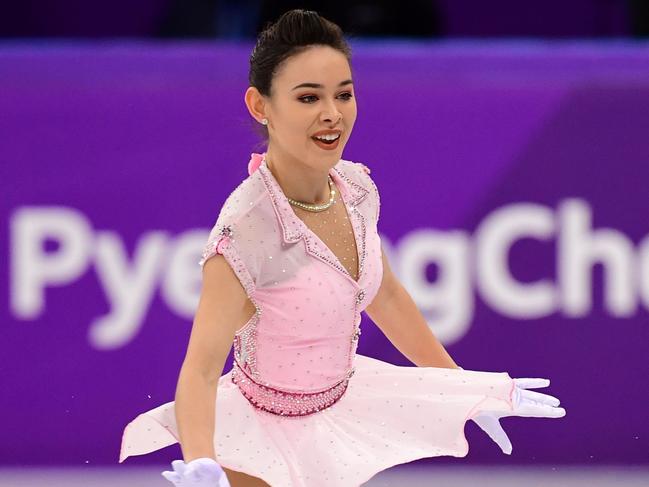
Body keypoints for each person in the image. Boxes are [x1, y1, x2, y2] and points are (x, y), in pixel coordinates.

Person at [119, 9, 566, 487]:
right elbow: (201, 371)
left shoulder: (354, 189)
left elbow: (386, 296)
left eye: (344, 94)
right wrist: (202, 459)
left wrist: (459, 389)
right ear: (260, 105)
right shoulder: (247, 231)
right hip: (257, 445)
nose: (332, 113)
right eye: (308, 97)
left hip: (337, 411)